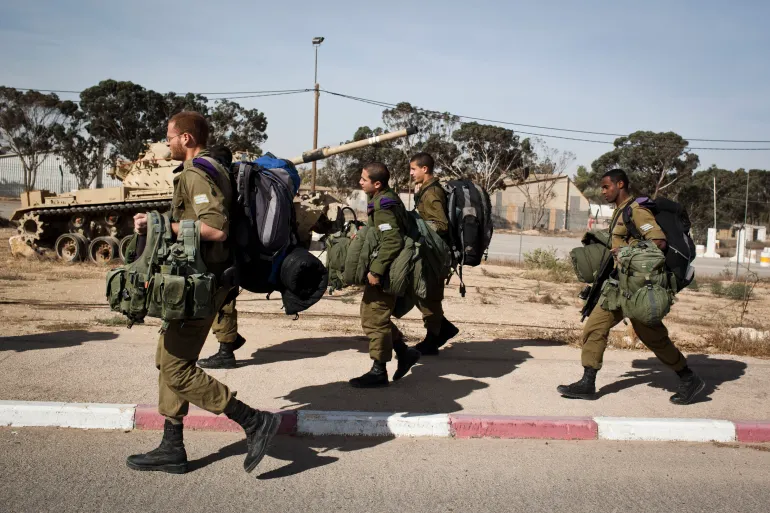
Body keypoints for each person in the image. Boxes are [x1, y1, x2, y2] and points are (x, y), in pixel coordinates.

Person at [127, 112, 281, 474]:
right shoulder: (209, 168)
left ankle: (253, 420)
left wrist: (161, 225)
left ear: (186, 138)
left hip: (199, 286)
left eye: (169, 137)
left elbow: (215, 228)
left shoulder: (196, 173)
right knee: (168, 359)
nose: (166, 143)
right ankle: (172, 446)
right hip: (198, 283)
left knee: (176, 368)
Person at [557, 169, 706, 405]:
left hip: (638, 289)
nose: (603, 191)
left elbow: (658, 242)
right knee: (595, 327)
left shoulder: (636, 210)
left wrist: (626, 251)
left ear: (620, 184)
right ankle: (587, 382)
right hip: (618, 286)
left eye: (606, 187)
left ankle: (689, 378)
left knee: (653, 337)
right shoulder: (620, 211)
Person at [351, 162, 421, 388]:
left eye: (364, 179)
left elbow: (392, 240)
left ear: (377, 184)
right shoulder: (384, 198)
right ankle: (404, 352)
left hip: (386, 270)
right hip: (387, 266)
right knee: (373, 315)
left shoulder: (382, 204)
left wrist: (376, 270)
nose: (360, 182)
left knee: (375, 319)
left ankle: (379, 371)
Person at [395, 152, 460, 356]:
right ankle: (441, 330)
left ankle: (434, 337)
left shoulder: (432, 193)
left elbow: (441, 224)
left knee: (428, 295)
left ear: (425, 169)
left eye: (413, 169)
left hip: (434, 253)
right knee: (422, 293)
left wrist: (417, 226)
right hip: (427, 251)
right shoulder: (426, 189)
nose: (411, 173)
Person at [197, 144, 246, 369]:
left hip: (220, 252)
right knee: (226, 296)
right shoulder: (233, 180)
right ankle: (231, 339)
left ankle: (226, 351)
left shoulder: (217, 181)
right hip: (233, 248)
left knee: (223, 300)